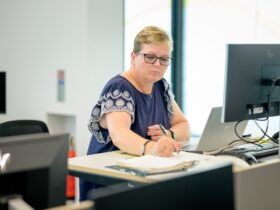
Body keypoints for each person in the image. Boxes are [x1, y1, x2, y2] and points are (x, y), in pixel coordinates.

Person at [80, 26, 191, 200]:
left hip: (142, 175)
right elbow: (120, 135)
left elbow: (184, 126)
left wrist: (168, 134)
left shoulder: (160, 86)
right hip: (108, 183)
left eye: (164, 59)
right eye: (150, 57)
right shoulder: (120, 87)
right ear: (133, 56)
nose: (157, 64)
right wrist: (154, 148)